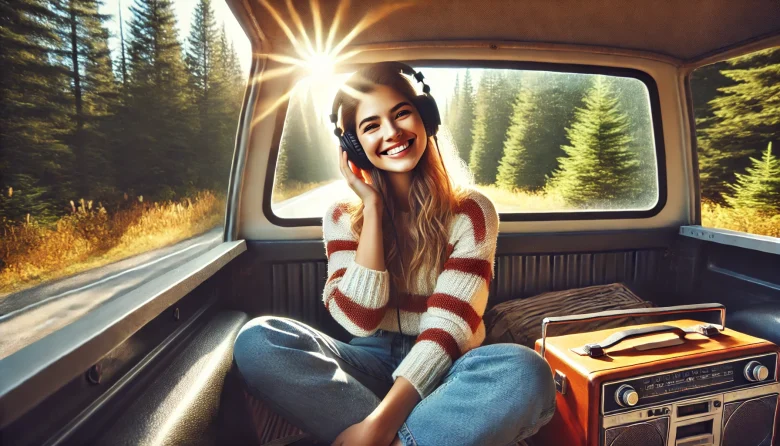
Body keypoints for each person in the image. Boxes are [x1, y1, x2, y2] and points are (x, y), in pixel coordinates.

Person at [233, 62, 556, 446]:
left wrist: (376, 428)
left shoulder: (472, 211)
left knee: (525, 370)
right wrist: (372, 208)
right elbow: (359, 319)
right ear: (353, 146)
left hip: (448, 371)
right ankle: (414, 437)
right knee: (259, 339)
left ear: (425, 118)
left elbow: (447, 329)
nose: (392, 132)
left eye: (401, 113)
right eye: (371, 126)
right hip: (367, 361)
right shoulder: (340, 217)